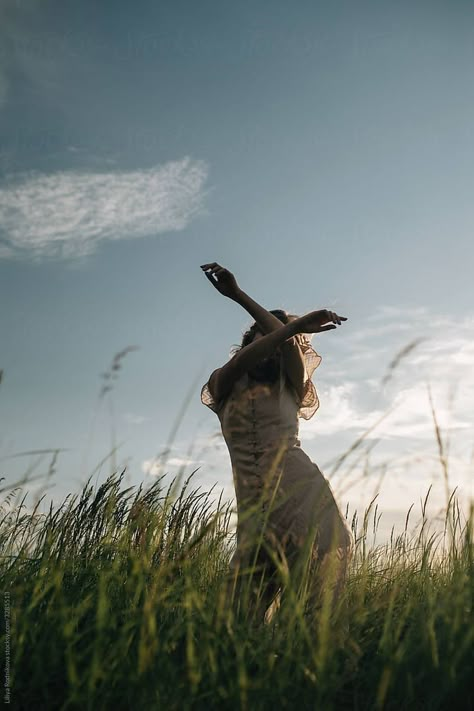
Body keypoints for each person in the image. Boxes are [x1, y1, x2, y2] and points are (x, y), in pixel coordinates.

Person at [200, 262, 353, 627]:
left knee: (327, 548)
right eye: (262, 339)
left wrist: (288, 328)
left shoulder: (293, 385)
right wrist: (240, 297)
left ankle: (307, 640)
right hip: (255, 497)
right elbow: (251, 355)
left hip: (300, 482)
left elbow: (286, 346)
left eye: (279, 342)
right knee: (250, 591)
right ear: (248, 342)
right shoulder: (225, 381)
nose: (271, 348)